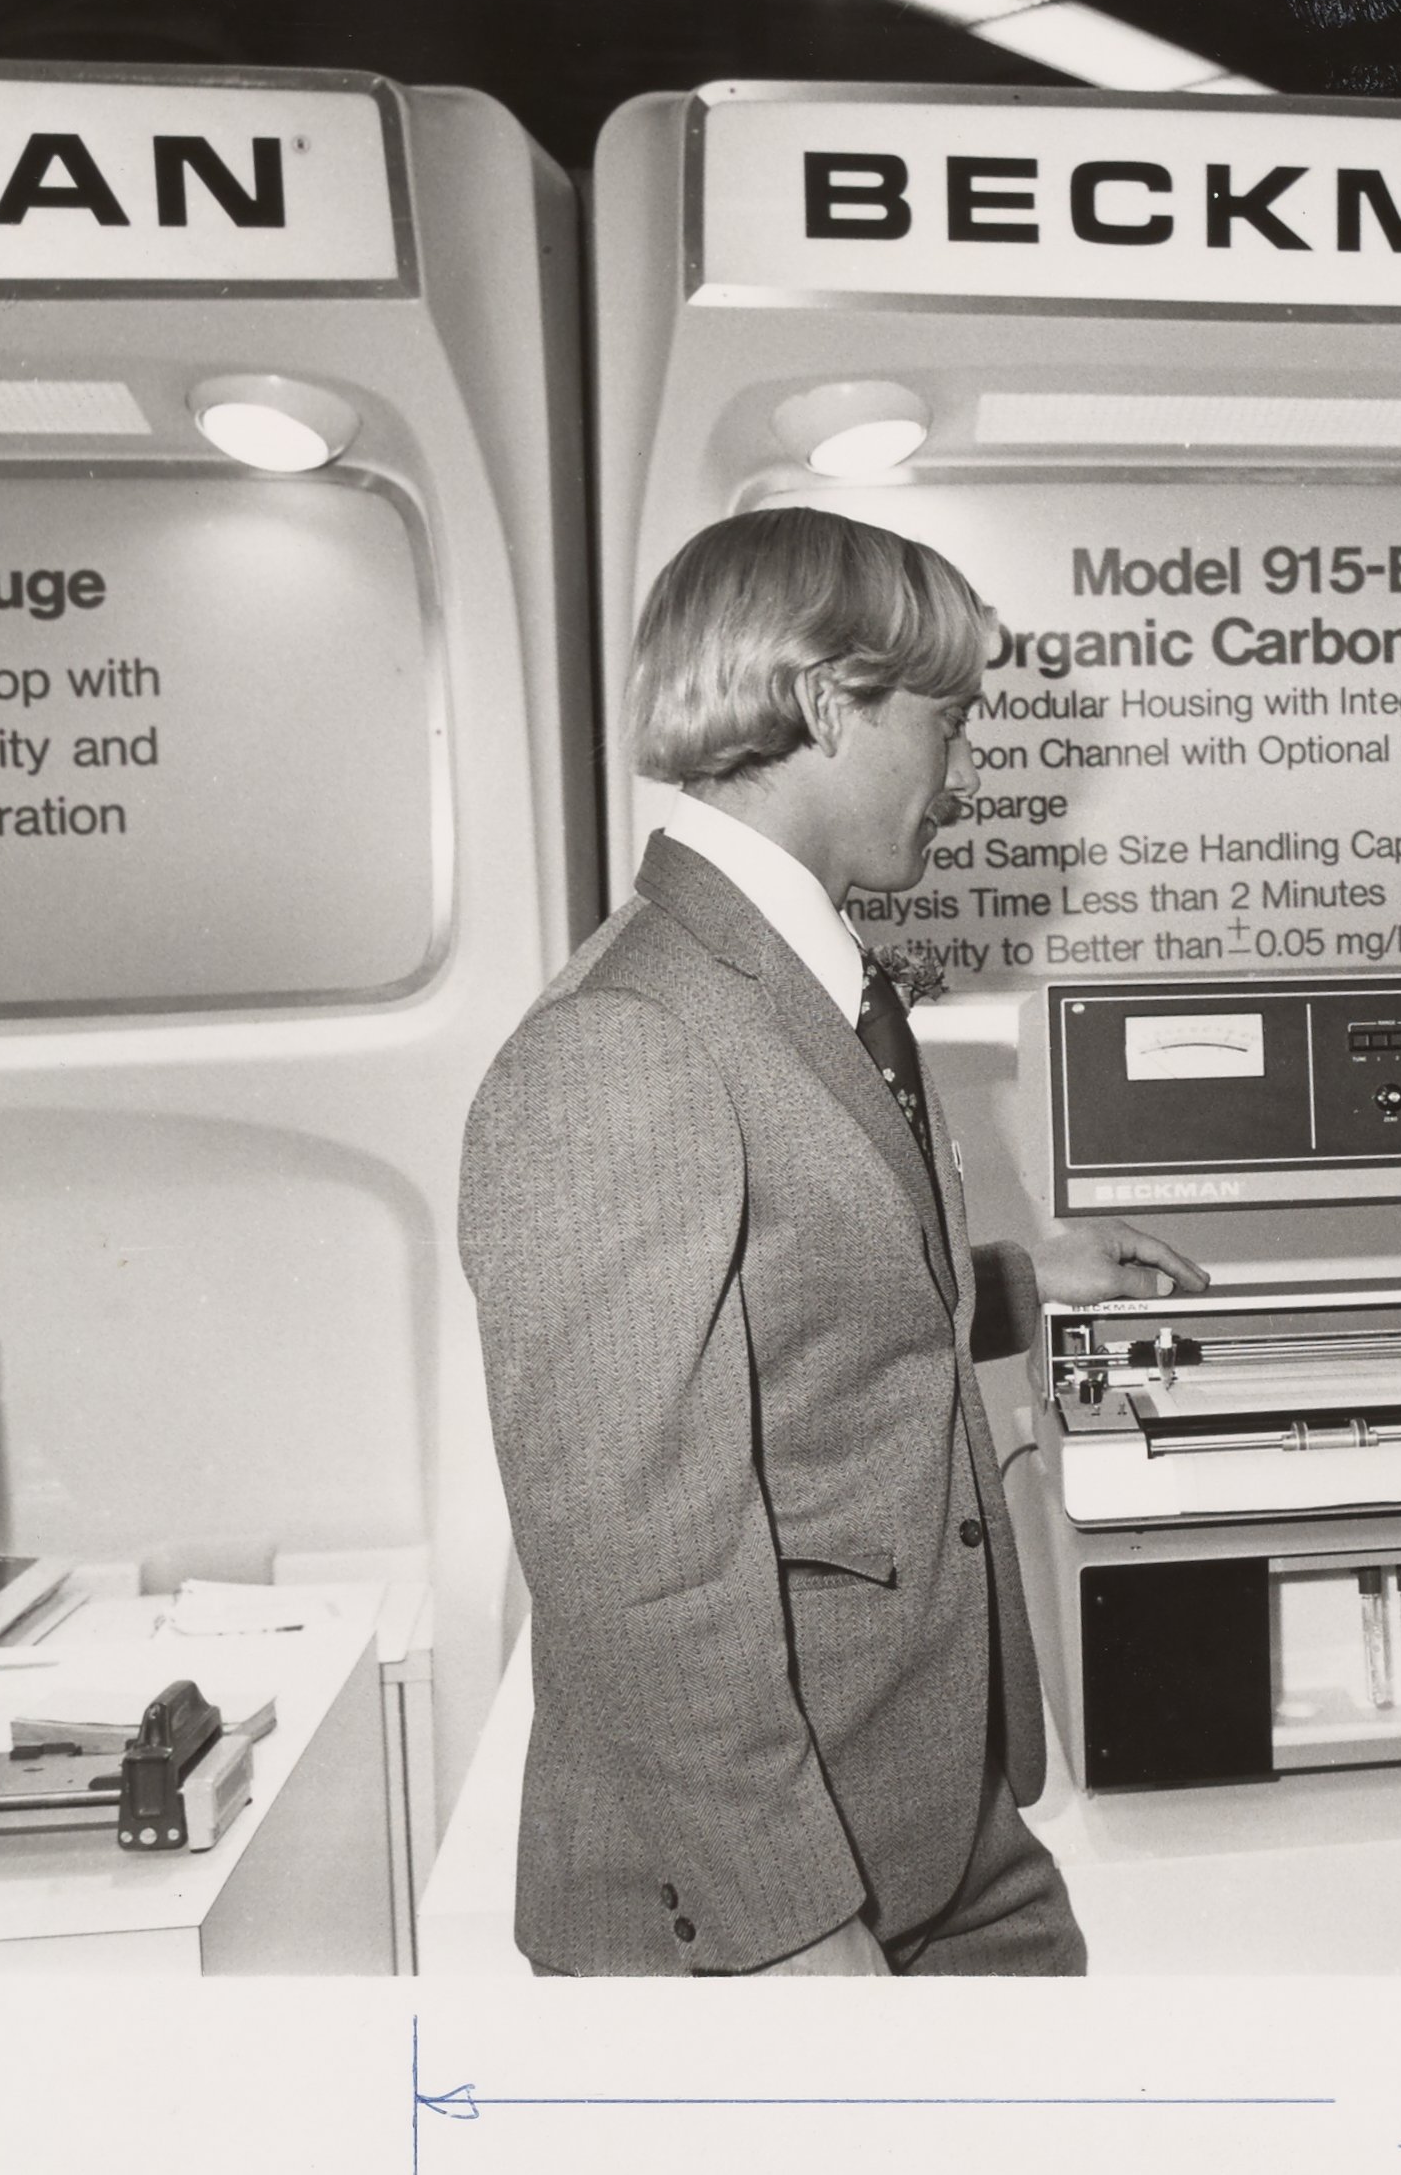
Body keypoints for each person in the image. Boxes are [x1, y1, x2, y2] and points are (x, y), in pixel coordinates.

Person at [459, 508, 1207, 1976]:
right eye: (948, 719)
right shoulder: (623, 1041)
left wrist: (1016, 1283)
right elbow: (632, 1558)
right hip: (761, 1897)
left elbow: (782, 1316)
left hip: (928, 1811)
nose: (962, 771)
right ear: (823, 702)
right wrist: (788, 1926)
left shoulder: (804, 980)